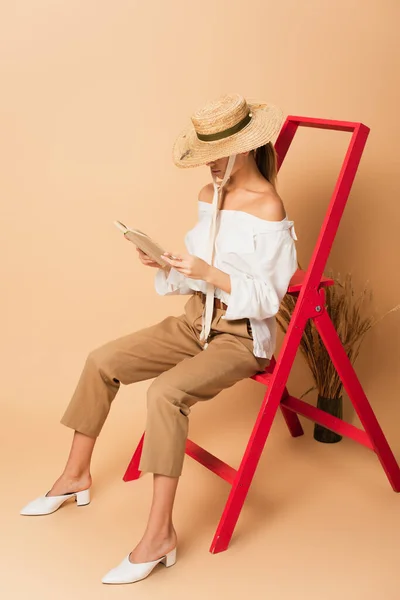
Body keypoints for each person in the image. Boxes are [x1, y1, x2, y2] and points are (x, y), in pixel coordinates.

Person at [20, 92, 298, 585]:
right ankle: (75, 476)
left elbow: (269, 300)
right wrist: (167, 265)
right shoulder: (207, 197)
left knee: (165, 393)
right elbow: (197, 278)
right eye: (205, 155)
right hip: (195, 322)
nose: (209, 166)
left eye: (217, 155)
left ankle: (158, 535)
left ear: (246, 148)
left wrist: (211, 272)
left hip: (238, 336)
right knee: (101, 359)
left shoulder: (269, 208)